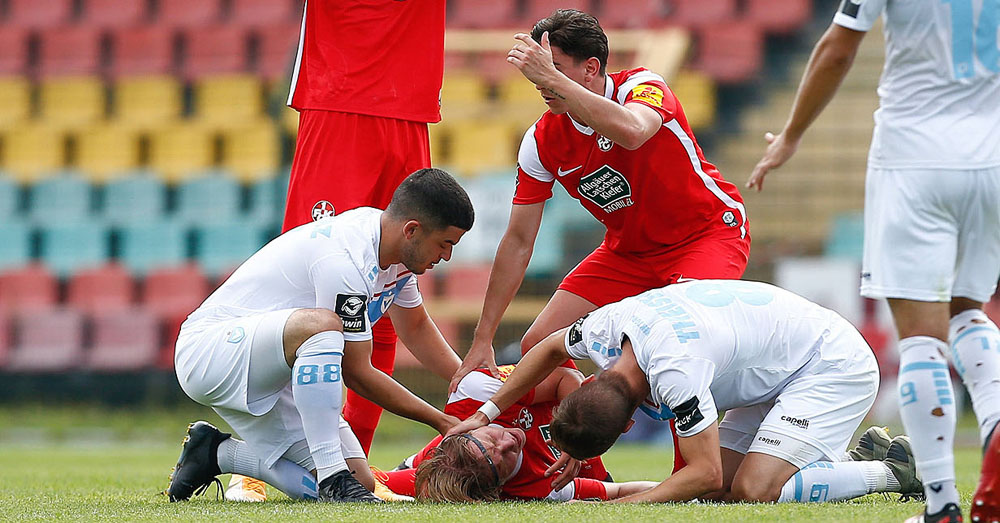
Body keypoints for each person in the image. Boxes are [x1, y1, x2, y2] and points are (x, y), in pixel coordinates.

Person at [747, 1, 1000, 521]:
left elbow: (838, 48)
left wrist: (791, 136)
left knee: (923, 338)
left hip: (913, 157)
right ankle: (995, 438)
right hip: (992, 156)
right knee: (971, 313)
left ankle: (942, 505)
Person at [452, 8, 750, 404]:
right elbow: (519, 240)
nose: (540, 82)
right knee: (539, 345)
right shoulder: (541, 141)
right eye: (538, 69)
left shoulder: (643, 87)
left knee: (681, 346)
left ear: (591, 67)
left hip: (706, 234)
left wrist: (551, 78)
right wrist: (483, 338)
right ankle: (583, 453)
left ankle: (696, 465)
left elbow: (632, 131)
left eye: (553, 67)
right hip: (629, 253)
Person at [449, 279, 924, 504]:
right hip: (783, 355)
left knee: (755, 490)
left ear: (633, 421)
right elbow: (550, 349)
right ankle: (849, 460)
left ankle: (891, 470)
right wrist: (488, 411)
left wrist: (625, 510)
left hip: (829, 362)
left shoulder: (677, 375)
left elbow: (702, 472)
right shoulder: (608, 329)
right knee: (726, 495)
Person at [166, 169, 473, 503]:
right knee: (326, 326)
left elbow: (415, 328)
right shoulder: (347, 259)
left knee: (362, 480)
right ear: (412, 230)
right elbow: (357, 373)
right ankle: (332, 477)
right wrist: (441, 420)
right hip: (210, 351)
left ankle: (215, 453)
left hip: (272, 369)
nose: (446, 257)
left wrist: (472, 385)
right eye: (445, 244)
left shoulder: (394, 253)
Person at [283, 0, 448, 459]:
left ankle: (357, 464)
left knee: (389, 290)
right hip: (337, 99)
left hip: (408, 106)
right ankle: (268, 459)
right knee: (309, 304)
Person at [371, 365, 657, 502]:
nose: (511, 441)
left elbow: (565, 378)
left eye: (492, 438)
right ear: (500, 486)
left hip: (580, 428)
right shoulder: (540, 487)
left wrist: (578, 444)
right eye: (504, 458)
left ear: (471, 427)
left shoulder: (474, 394)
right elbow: (618, 491)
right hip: (578, 461)